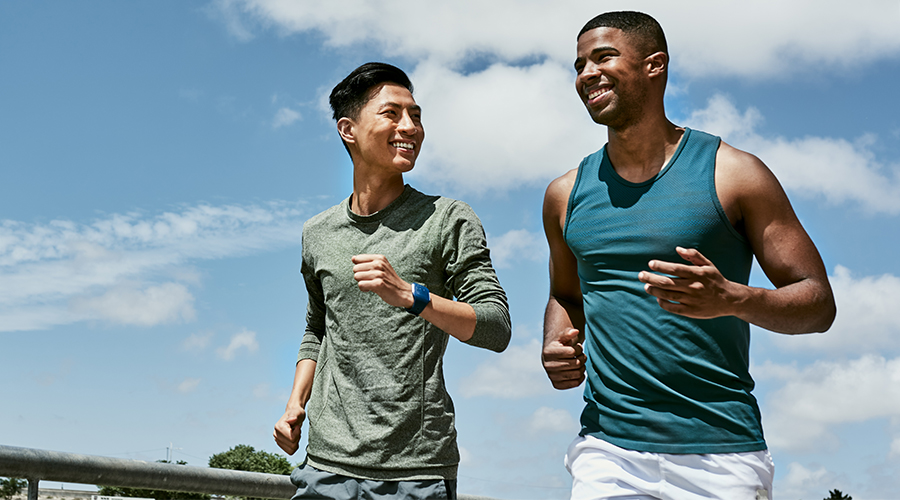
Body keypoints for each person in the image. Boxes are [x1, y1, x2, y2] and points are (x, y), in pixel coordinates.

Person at [541, 11, 836, 500]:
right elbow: (566, 294)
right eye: (578, 65)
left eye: (603, 57)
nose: (586, 74)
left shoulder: (735, 174)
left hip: (723, 453)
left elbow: (818, 304)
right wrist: (557, 341)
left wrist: (734, 299)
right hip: (609, 450)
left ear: (654, 65)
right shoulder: (564, 194)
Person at [273, 62, 511, 500]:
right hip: (325, 466)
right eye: (392, 114)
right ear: (349, 129)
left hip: (415, 473)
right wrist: (296, 402)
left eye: (416, 116)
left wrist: (411, 296)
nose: (411, 127)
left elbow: (496, 328)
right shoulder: (317, 233)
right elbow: (317, 328)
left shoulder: (448, 220)